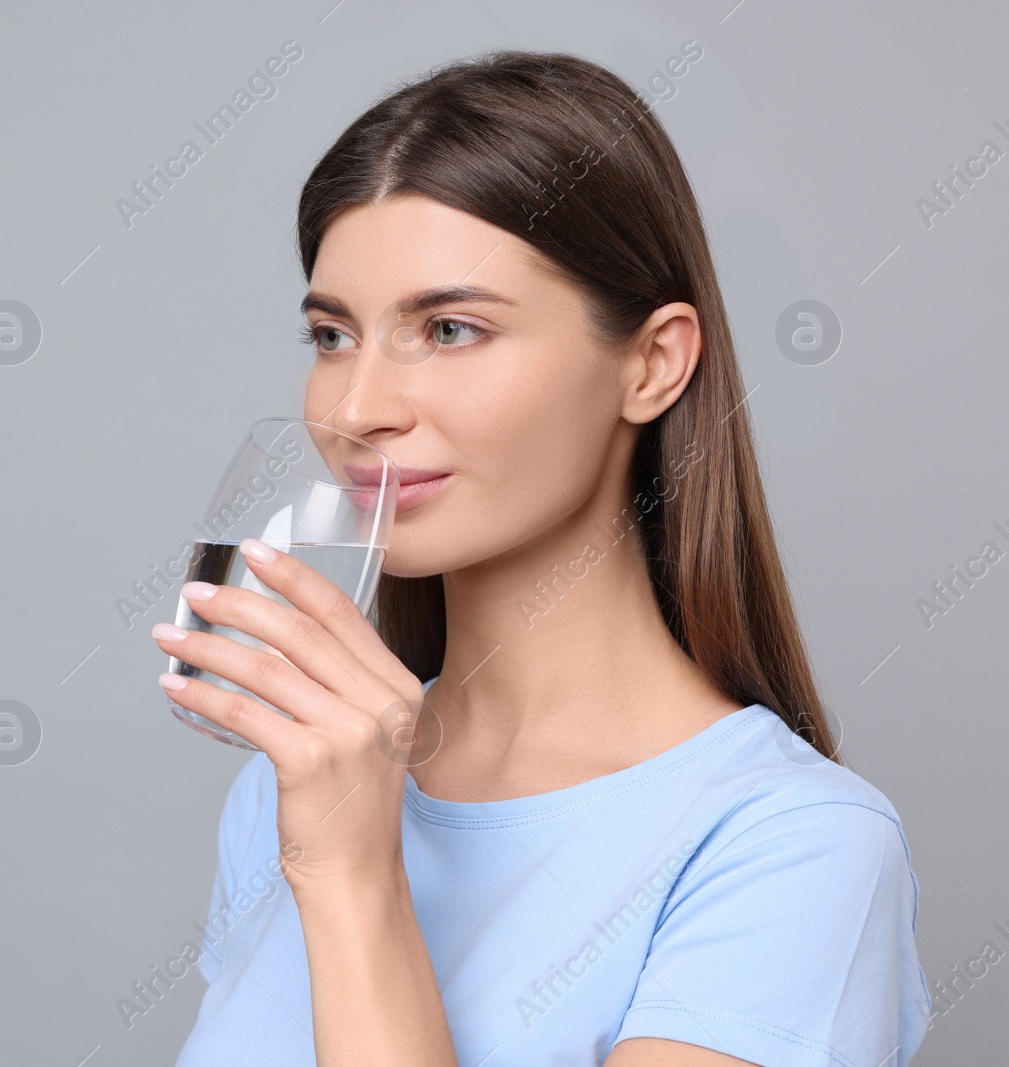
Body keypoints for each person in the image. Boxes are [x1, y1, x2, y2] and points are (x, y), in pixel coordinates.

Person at [153, 50, 929, 1066]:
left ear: (651, 364)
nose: (354, 410)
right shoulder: (297, 780)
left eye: (449, 327)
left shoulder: (796, 848)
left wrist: (353, 877)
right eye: (333, 334)